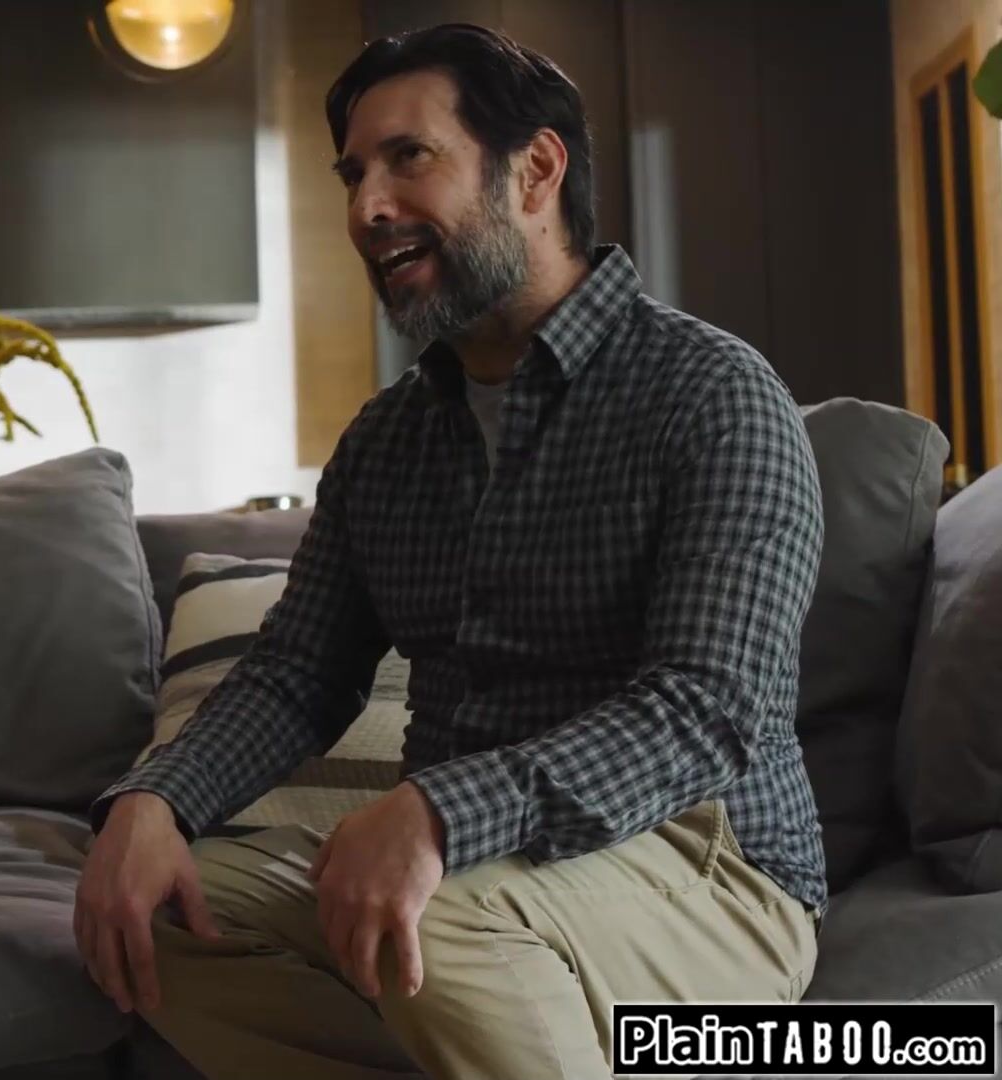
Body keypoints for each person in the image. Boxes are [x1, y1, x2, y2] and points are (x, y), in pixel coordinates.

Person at [73, 24, 825, 1080]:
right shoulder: (386, 441)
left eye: (408, 158)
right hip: (472, 881)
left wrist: (437, 816)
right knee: (154, 920)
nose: (366, 208)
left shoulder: (714, 395)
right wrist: (156, 801)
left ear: (536, 170)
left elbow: (707, 709)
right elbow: (298, 674)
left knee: (435, 930)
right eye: (353, 175)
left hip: (706, 870)